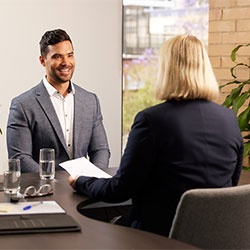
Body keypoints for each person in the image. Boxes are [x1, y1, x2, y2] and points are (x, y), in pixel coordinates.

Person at [68, 35, 244, 237]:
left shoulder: (152, 120)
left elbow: (119, 190)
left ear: (167, 69)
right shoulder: (229, 118)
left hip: (159, 237)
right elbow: (231, 182)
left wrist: (80, 181)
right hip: (217, 237)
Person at [7, 29, 110, 173]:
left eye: (70, 55)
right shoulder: (23, 105)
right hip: (44, 191)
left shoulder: (90, 101)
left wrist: (93, 181)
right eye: (57, 57)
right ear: (43, 61)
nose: (65, 62)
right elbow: (21, 157)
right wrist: (51, 182)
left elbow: (100, 150)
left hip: (85, 189)